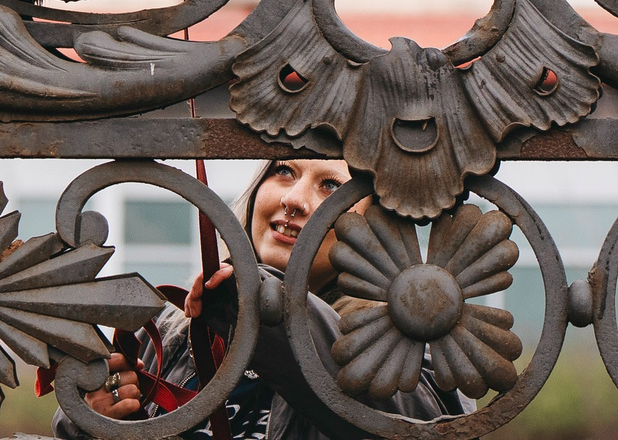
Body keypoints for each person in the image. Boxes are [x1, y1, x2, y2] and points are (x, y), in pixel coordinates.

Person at [72, 159, 458, 440]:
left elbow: (420, 428)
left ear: (376, 228)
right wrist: (101, 418)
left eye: (331, 186)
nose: (293, 198)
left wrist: (266, 300)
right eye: (284, 171)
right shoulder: (173, 332)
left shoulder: (412, 343)